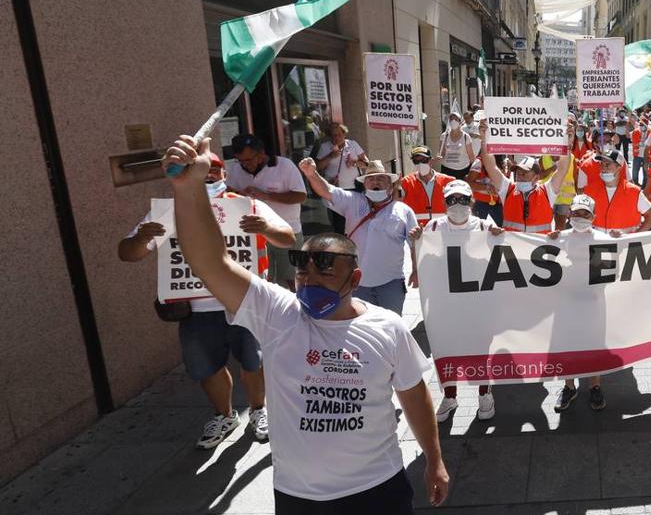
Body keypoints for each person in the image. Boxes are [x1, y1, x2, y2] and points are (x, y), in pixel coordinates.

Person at [161, 135, 450, 512]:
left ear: (355, 279)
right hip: (300, 496)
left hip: (379, 487)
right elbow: (210, 262)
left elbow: (415, 396)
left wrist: (435, 460)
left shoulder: (389, 328)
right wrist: (187, 189)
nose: (309, 276)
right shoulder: (277, 314)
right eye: (302, 264)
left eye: (326, 266)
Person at [119, 151, 294, 449]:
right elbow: (127, 253)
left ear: (225, 174)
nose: (208, 175)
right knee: (206, 367)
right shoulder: (167, 213)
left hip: (244, 303)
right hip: (195, 309)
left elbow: (288, 237)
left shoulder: (247, 206)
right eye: (201, 170)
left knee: (253, 362)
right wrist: (140, 239)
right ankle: (224, 416)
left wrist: (265, 228)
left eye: (214, 170)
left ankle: (258, 410)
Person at [408, 179, 504, 423]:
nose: (457, 204)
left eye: (462, 199)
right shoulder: (433, 227)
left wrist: (498, 236)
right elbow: (423, 255)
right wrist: (416, 241)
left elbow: (500, 252)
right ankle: (450, 395)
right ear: (445, 202)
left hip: (479, 302)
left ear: (471, 201)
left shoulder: (484, 225)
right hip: (446, 303)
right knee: (447, 347)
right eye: (452, 200)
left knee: (481, 348)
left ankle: (485, 393)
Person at [300, 158, 418, 317]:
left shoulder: (404, 211)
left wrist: (417, 270)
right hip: (357, 283)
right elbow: (327, 190)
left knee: (392, 327)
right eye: (371, 179)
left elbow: (414, 244)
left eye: (381, 178)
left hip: (391, 283)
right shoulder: (352, 201)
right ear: (364, 184)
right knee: (361, 326)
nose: (375, 182)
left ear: (390, 185)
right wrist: (312, 174)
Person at [546, 194, 609, 412]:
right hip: (566, 303)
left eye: (586, 213)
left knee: (594, 344)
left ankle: (595, 387)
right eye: (577, 213)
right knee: (567, 344)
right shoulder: (559, 238)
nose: (580, 217)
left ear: (594, 216)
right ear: (569, 214)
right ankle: (569, 387)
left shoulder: (604, 239)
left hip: (594, 303)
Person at [227, 134, 307, 289]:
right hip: (255, 235)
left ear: (261, 154)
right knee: (263, 281)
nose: (245, 164)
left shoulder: (284, 165)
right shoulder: (235, 169)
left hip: (287, 230)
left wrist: (266, 195)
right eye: (240, 160)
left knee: (294, 279)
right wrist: (240, 195)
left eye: (249, 160)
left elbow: (301, 196)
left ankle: (301, 310)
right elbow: (228, 195)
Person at [582, 148, 651, 235]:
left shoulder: (633, 192)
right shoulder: (590, 190)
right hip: (597, 245)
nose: (603, 168)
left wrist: (635, 238)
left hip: (625, 246)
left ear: (619, 167)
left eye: (608, 165)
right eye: (602, 164)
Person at [314, 123, 368, 234]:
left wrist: (354, 163)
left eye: (338, 134)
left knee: (355, 221)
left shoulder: (353, 145)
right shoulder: (325, 147)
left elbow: (367, 164)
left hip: (354, 189)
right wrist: (330, 156)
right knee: (339, 224)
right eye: (333, 135)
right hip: (335, 190)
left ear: (344, 134)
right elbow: (317, 167)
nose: (336, 138)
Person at [397, 146, 454, 225]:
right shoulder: (406, 182)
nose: (420, 164)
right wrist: (396, 186)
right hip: (416, 231)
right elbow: (397, 205)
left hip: (442, 229)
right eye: (416, 161)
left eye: (423, 160)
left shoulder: (448, 181)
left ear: (431, 161)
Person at [467, 155, 503, 226]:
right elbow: (469, 183)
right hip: (480, 203)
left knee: (502, 228)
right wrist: (487, 187)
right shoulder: (479, 162)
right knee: (477, 229)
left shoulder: (502, 161)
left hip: (497, 202)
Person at [438, 111, 475, 179]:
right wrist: (439, 156)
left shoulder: (466, 137)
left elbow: (471, 156)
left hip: (463, 170)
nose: (453, 121)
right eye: (451, 119)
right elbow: (441, 153)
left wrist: (473, 172)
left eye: (456, 119)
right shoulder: (444, 136)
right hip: (447, 169)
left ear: (460, 121)